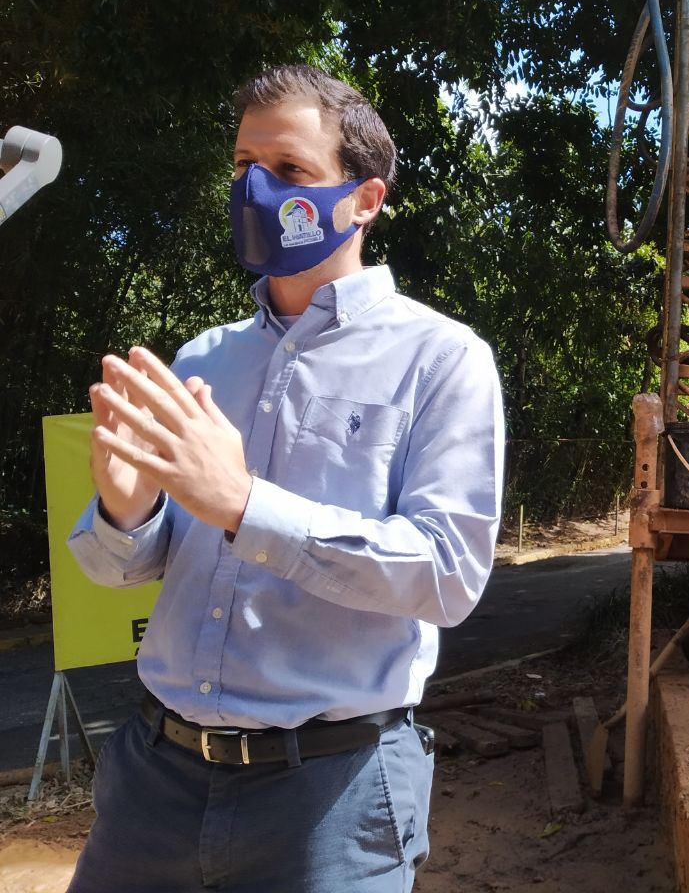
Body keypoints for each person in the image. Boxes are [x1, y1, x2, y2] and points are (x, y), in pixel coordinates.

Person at [65, 65, 504, 892]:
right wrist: (128, 511)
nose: (255, 189)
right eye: (242, 166)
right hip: (153, 781)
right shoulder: (203, 359)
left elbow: (448, 576)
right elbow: (126, 570)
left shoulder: (442, 361)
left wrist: (244, 504)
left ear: (365, 200)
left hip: (328, 796)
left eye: (290, 171)